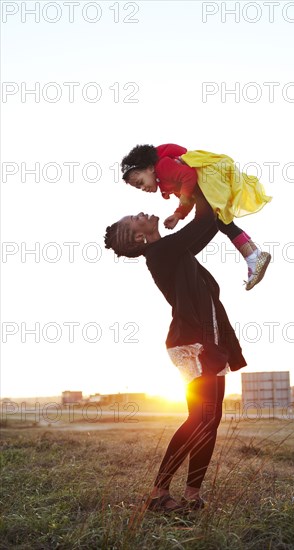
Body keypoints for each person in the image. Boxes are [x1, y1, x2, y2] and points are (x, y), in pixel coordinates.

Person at [104, 185, 247, 513]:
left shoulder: (170, 250)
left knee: (209, 420)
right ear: (139, 239)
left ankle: (192, 495)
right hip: (194, 344)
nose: (140, 214)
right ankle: (158, 493)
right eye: (134, 220)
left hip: (206, 343)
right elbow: (207, 221)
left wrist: (198, 196)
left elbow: (204, 225)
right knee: (202, 418)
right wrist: (196, 182)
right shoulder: (162, 253)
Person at [120, 143, 272, 291]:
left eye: (141, 182)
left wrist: (183, 200)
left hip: (209, 184)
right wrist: (179, 214)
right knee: (223, 222)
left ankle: (253, 257)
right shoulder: (164, 180)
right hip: (209, 186)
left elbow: (189, 176)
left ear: (150, 168)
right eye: (138, 188)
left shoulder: (163, 168)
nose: (142, 188)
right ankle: (255, 255)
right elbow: (189, 196)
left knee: (214, 221)